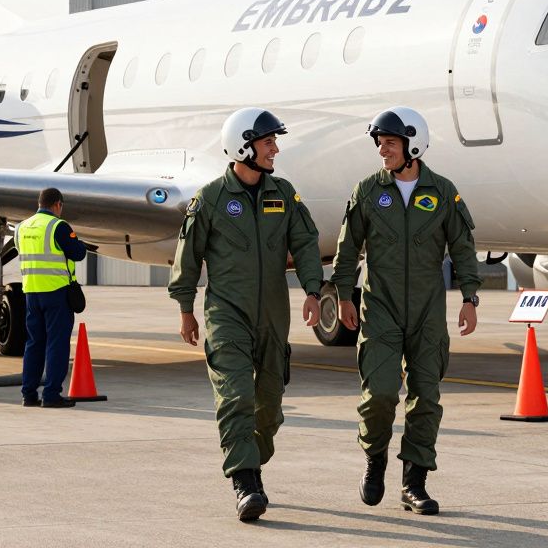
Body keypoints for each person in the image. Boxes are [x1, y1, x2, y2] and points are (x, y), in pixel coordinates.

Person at [168, 108, 324, 522]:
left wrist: (312, 289)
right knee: (236, 397)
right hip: (227, 315)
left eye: (274, 141)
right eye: (268, 141)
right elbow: (188, 257)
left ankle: (252, 455)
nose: (275, 148)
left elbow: (307, 242)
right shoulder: (211, 199)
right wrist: (186, 310)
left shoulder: (284, 194)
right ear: (244, 145)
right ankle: (245, 481)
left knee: (269, 408)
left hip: (274, 316)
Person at [331, 106, 482, 516]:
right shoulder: (367, 191)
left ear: (413, 145)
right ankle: (374, 457)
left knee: (426, 400)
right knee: (380, 393)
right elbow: (347, 251)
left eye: (391, 144)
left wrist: (470, 297)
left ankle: (414, 483)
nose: (383, 151)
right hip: (380, 309)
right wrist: (345, 296)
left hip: (428, 314)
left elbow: (463, 249)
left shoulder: (443, 192)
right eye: (380, 144)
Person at [17, 187, 89, 408]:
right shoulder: (58, 226)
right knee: (56, 344)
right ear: (58, 204)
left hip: (31, 292)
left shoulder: (22, 227)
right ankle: (51, 395)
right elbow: (78, 253)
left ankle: (28, 394)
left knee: (33, 343)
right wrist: (80, 242)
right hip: (56, 293)